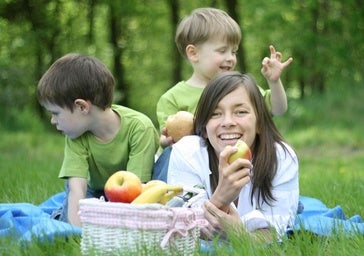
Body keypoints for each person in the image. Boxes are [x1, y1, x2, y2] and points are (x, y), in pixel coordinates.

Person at [166, 71, 299, 241]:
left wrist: (237, 233)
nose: (228, 122)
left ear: (259, 123)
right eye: (215, 113)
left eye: (240, 112)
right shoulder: (186, 152)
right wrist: (221, 195)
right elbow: (184, 230)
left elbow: (275, 235)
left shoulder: (281, 158)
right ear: (204, 128)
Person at [37, 53, 159, 227]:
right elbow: (77, 187)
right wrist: (75, 232)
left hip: (134, 192)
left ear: (82, 107)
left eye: (56, 113)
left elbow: (137, 191)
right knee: (71, 204)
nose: (53, 120)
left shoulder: (139, 128)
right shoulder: (76, 135)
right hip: (94, 193)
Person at [156, 7, 293, 148]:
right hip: (196, 167)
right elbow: (167, 139)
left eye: (233, 52)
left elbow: (278, 109)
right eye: (222, 51)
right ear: (193, 53)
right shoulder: (172, 99)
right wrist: (167, 142)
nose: (230, 58)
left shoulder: (242, 88)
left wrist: (274, 81)